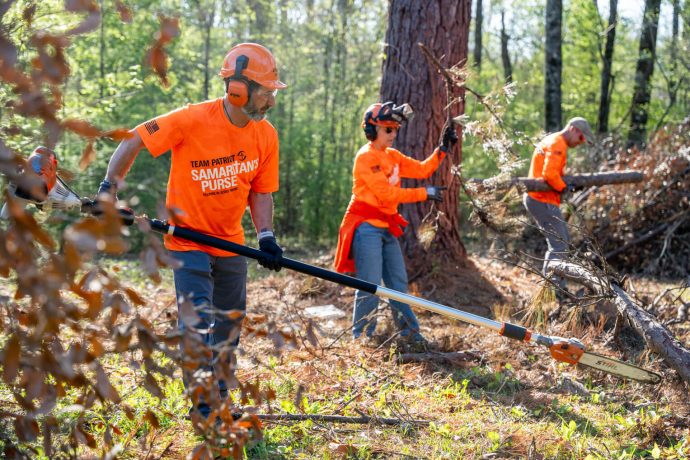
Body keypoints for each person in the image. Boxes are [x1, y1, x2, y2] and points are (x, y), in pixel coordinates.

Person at [97, 43, 286, 419]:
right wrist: (109, 189)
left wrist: (266, 235)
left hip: (231, 242)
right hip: (187, 241)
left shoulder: (266, 136)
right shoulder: (192, 119)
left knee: (229, 324)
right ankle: (202, 403)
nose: (271, 100)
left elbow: (261, 192)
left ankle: (220, 393)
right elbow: (136, 137)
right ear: (239, 89)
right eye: (266, 91)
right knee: (197, 321)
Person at [334, 102, 457, 345]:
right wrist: (424, 193)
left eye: (395, 129)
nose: (393, 134)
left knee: (398, 283)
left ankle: (410, 333)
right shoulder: (366, 157)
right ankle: (362, 337)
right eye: (388, 129)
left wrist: (441, 150)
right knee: (369, 283)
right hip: (366, 226)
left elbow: (422, 170)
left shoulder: (393, 156)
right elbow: (387, 195)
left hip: (386, 226)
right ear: (372, 130)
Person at [523, 117, 595, 294]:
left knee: (559, 243)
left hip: (540, 199)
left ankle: (551, 287)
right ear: (573, 129)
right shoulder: (558, 144)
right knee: (560, 245)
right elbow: (549, 174)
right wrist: (565, 188)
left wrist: (566, 184)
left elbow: (551, 172)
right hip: (542, 199)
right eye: (581, 138)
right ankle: (553, 290)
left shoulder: (554, 140)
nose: (581, 142)